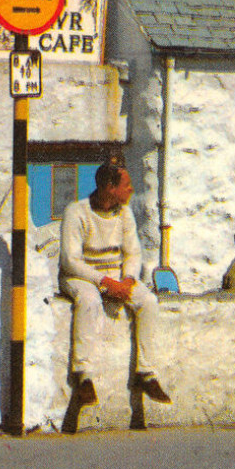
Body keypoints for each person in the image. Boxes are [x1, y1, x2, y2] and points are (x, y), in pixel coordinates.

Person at [59, 158, 171, 407]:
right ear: (110, 188)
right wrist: (106, 282)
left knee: (149, 301)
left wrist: (129, 280)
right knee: (88, 301)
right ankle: (84, 377)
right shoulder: (76, 212)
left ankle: (146, 373)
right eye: (126, 185)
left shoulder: (125, 213)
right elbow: (70, 261)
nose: (131, 189)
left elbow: (133, 253)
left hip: (116, 276)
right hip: (82, 276)